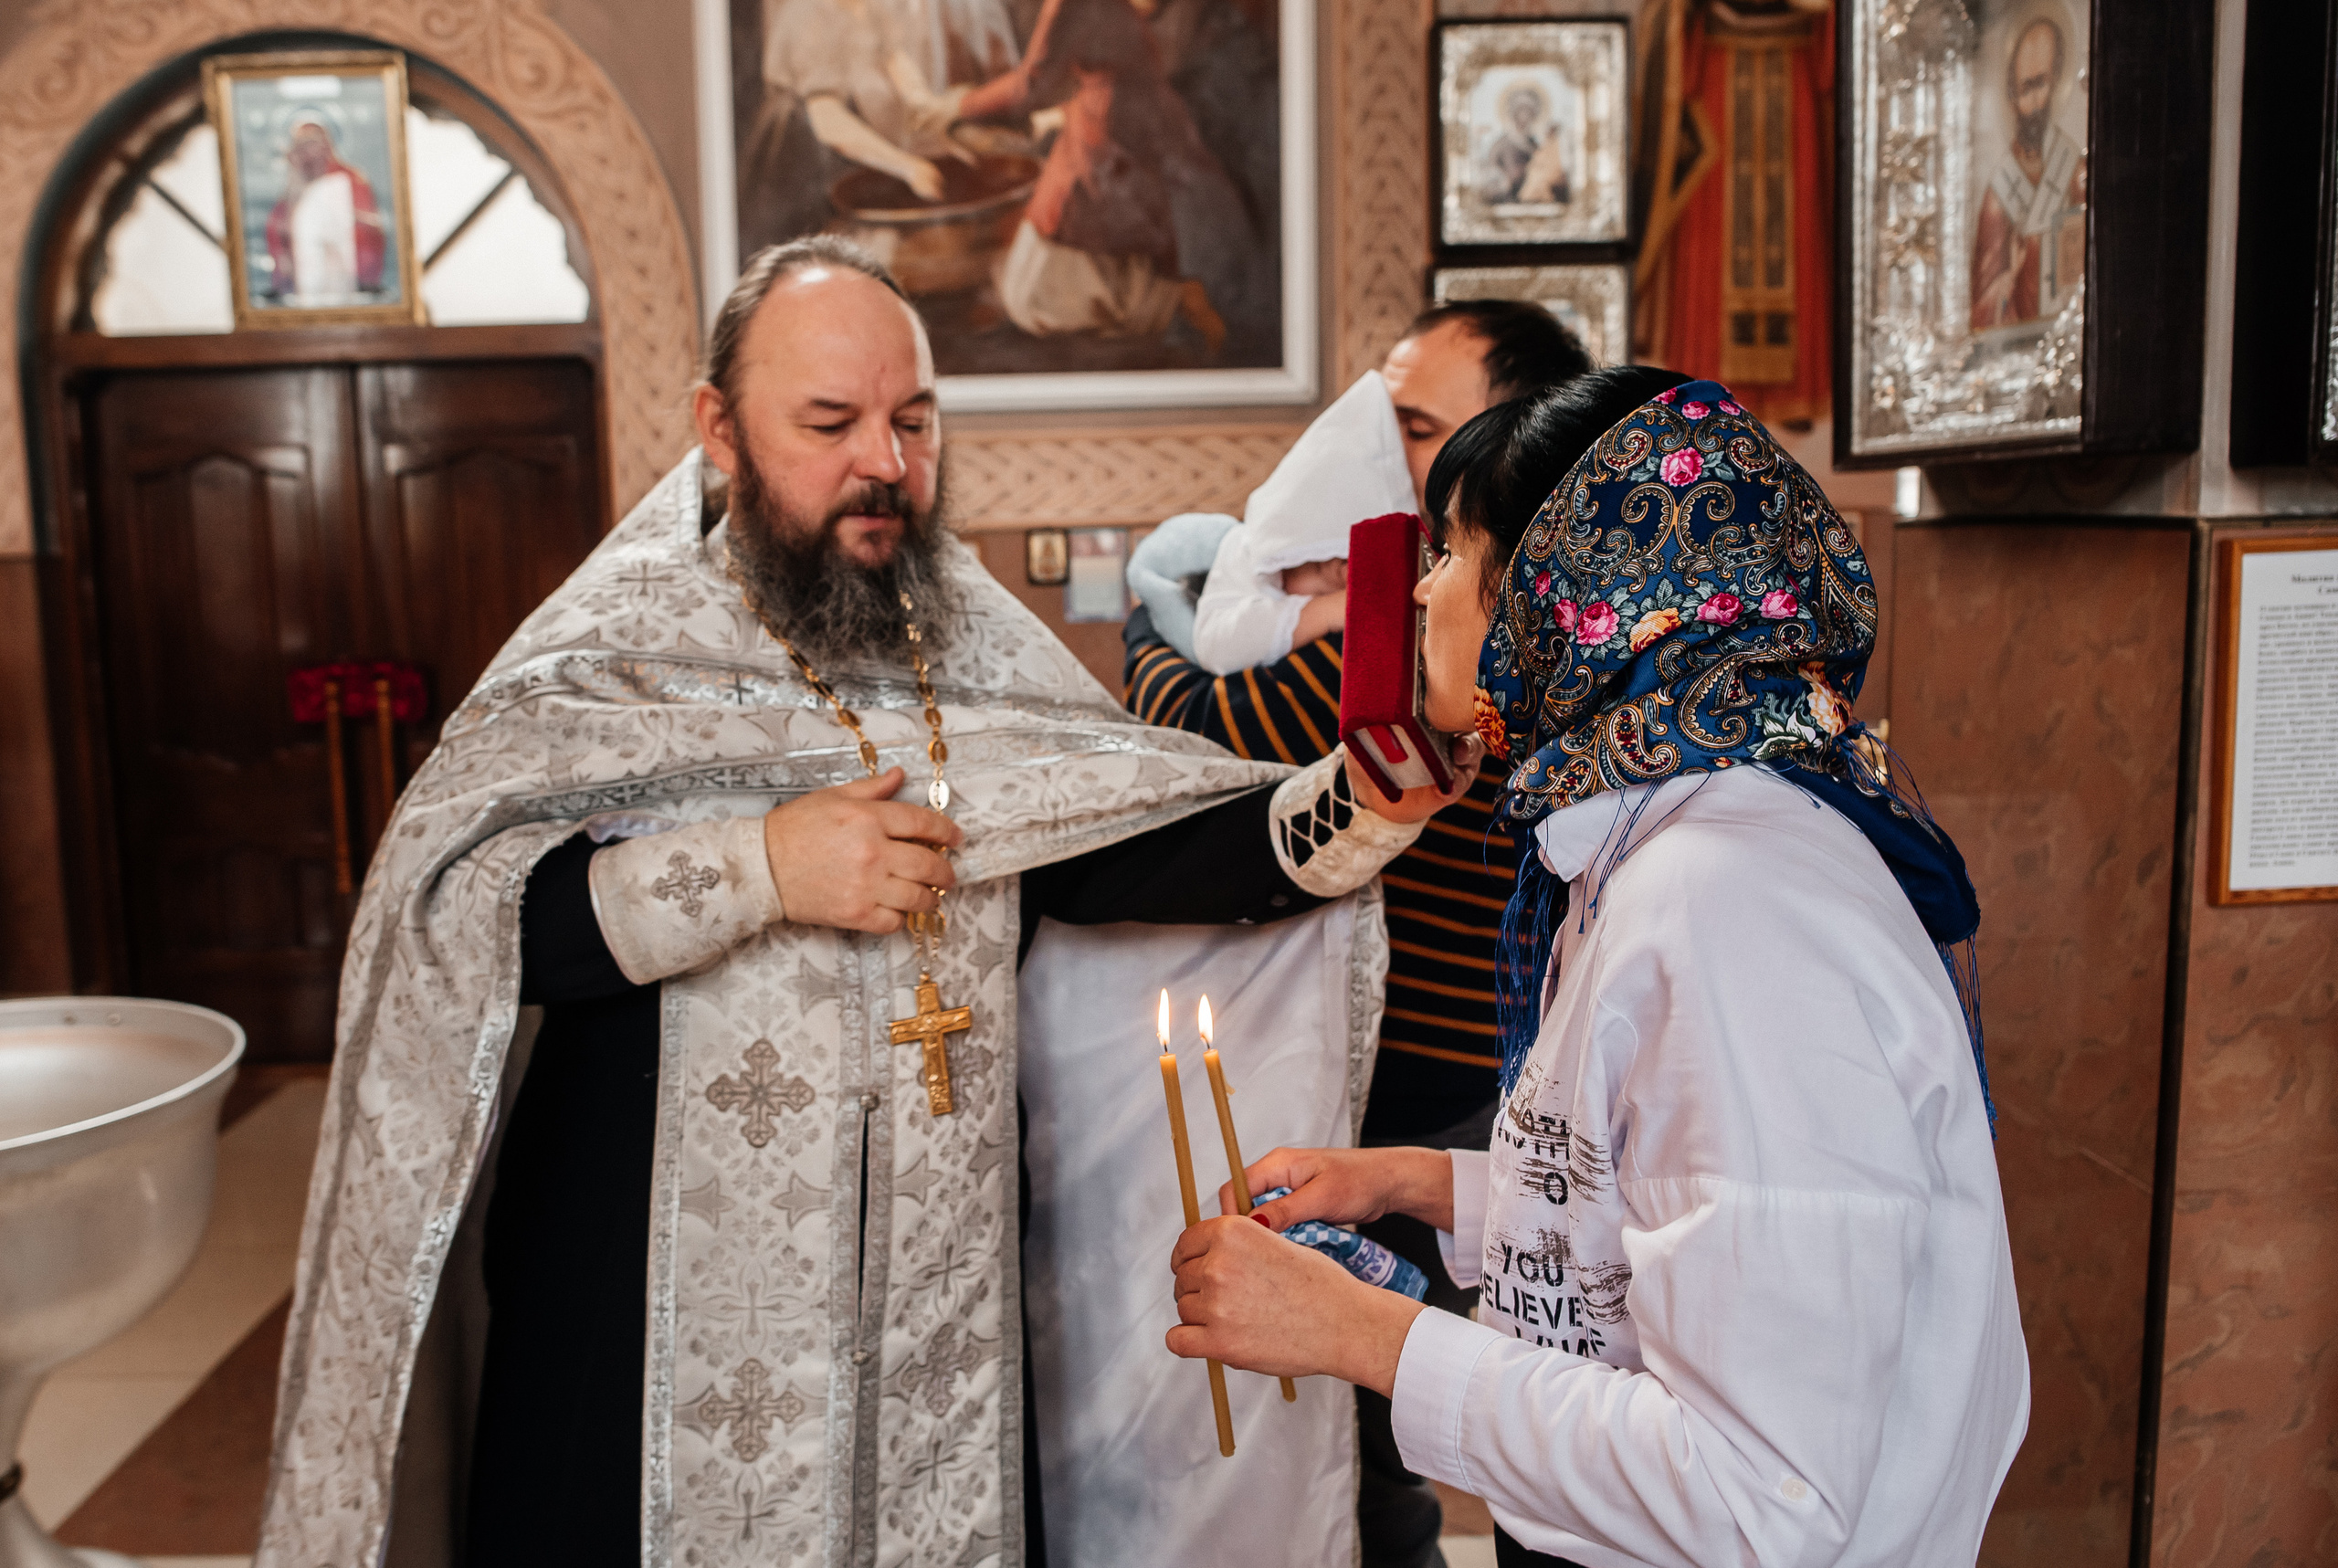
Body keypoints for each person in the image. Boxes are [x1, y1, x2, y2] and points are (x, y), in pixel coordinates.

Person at [255, 237, 1465, 1568]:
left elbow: (1121, 842)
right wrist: (762, 866)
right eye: (829, 423)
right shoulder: (613, 650)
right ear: (719, 428)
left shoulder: (977, 640)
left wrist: (1361, 801)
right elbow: (464, 923)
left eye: (913, 420)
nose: (883, 462)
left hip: (936, 1295)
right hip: (641, 1304)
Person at [1165, 370, 2029, 1567]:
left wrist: (1361, 1332)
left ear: (1561, 598)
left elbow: (1760, 1494)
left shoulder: (1736, 907)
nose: (1421, 588)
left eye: (1454, 552)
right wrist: (1424, 1184)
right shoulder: (1661, 838)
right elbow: (1678, 1208)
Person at [1122, 297, 1594, 1568]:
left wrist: (1150, 614)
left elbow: (1206, 726)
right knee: (1399, 1436)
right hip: (1429, 1106)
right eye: (1381, 425)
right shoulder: (1453, 603)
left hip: (1453, 1100)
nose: (1383, 465)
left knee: (1384, 1435)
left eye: (1421, 432)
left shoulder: (1460, 631)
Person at [1971, 16, 2085, 332]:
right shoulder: (1998, 195)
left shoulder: (2077, 172)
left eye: (2043, 83)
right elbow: (1981, 312)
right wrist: (2010, 278)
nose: (2036, 102)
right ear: (2011, 93)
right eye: (2026, 88)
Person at [264, 114, 385, 304]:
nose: (308, 152)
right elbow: (277, 229)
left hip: (347, 279)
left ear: (327, 144)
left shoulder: (351, 179)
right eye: (301, 144)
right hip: (305, 286)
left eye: (313, 142)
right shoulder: (294, 184)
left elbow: (371, 227)